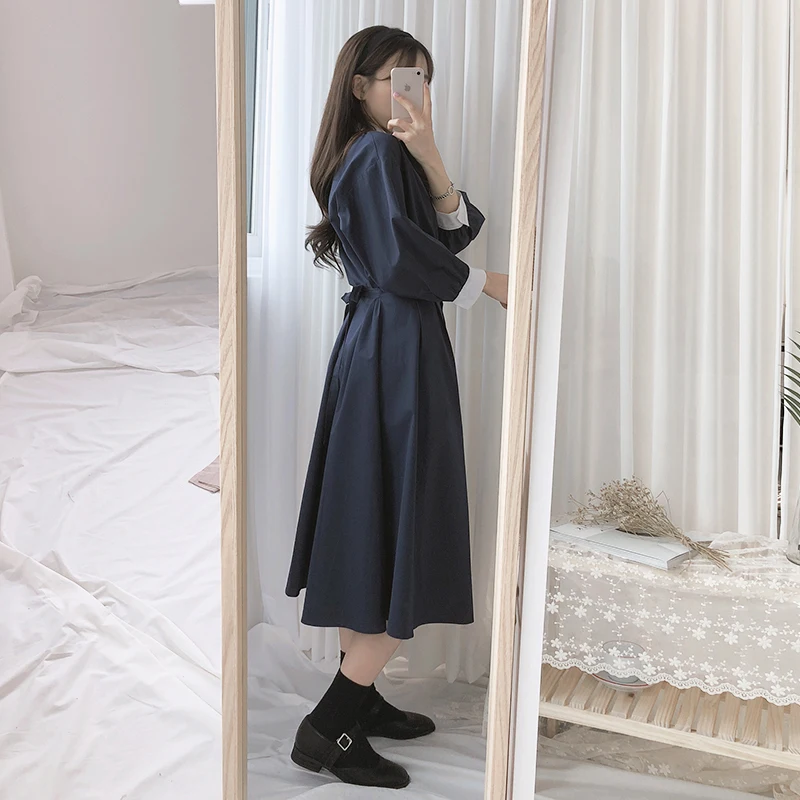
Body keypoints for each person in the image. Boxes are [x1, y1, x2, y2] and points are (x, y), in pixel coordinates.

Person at [285, 25, 508, 789]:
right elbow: (400, 258)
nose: (414, 94)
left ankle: (365, 698)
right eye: (398, 80)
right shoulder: (375, 155)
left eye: (423, 81)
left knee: (376, 517)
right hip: (395, 350)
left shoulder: (386, 154)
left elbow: (452, 232)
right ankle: (329, 729)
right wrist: (488, 286)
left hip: (385, 345)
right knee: (400, 516)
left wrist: (432, 153)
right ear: (359, 87)